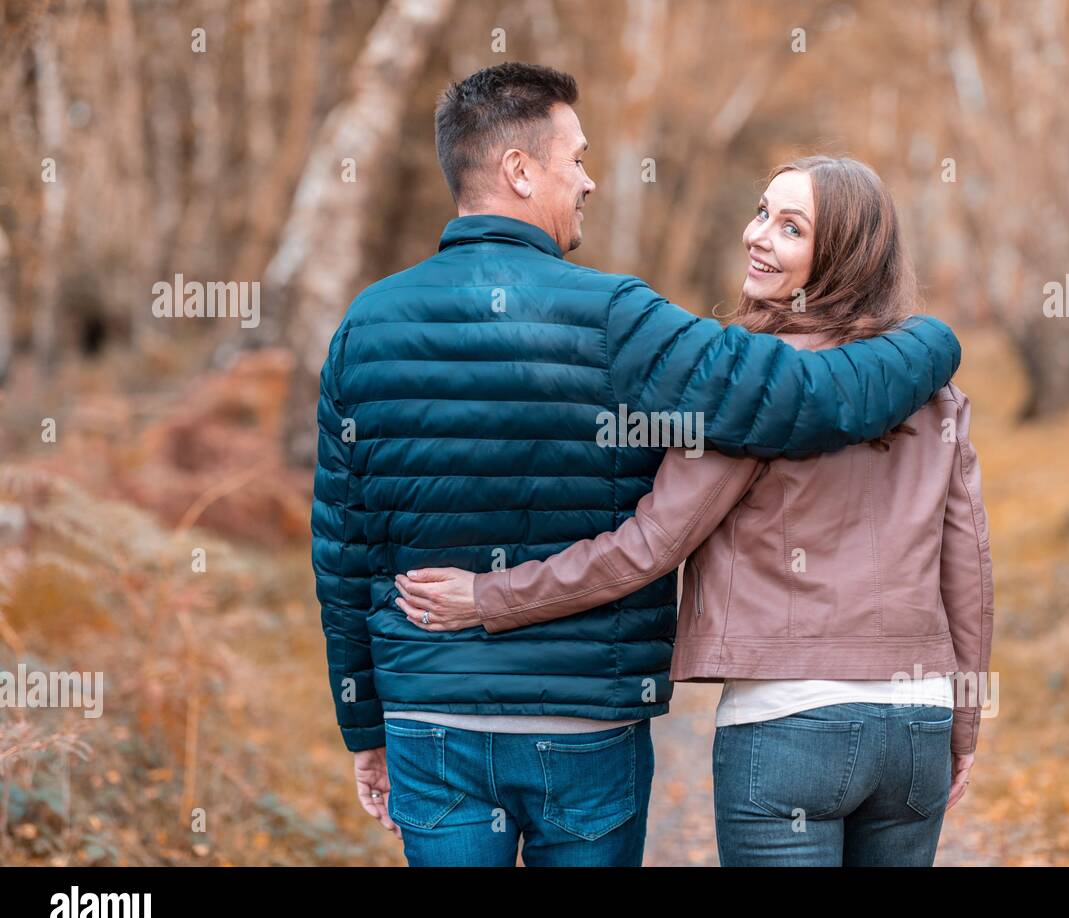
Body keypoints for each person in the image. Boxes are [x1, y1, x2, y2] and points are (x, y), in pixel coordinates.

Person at [311, 62, 961, 867]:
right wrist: (934, 341)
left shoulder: (363, 327)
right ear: (520, 170)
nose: (589, 181)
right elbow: (802, 395)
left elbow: (341, 551)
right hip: (585, 728)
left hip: (427, 718)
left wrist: (365, 726)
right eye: (576, 158)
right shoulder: (620, 319)